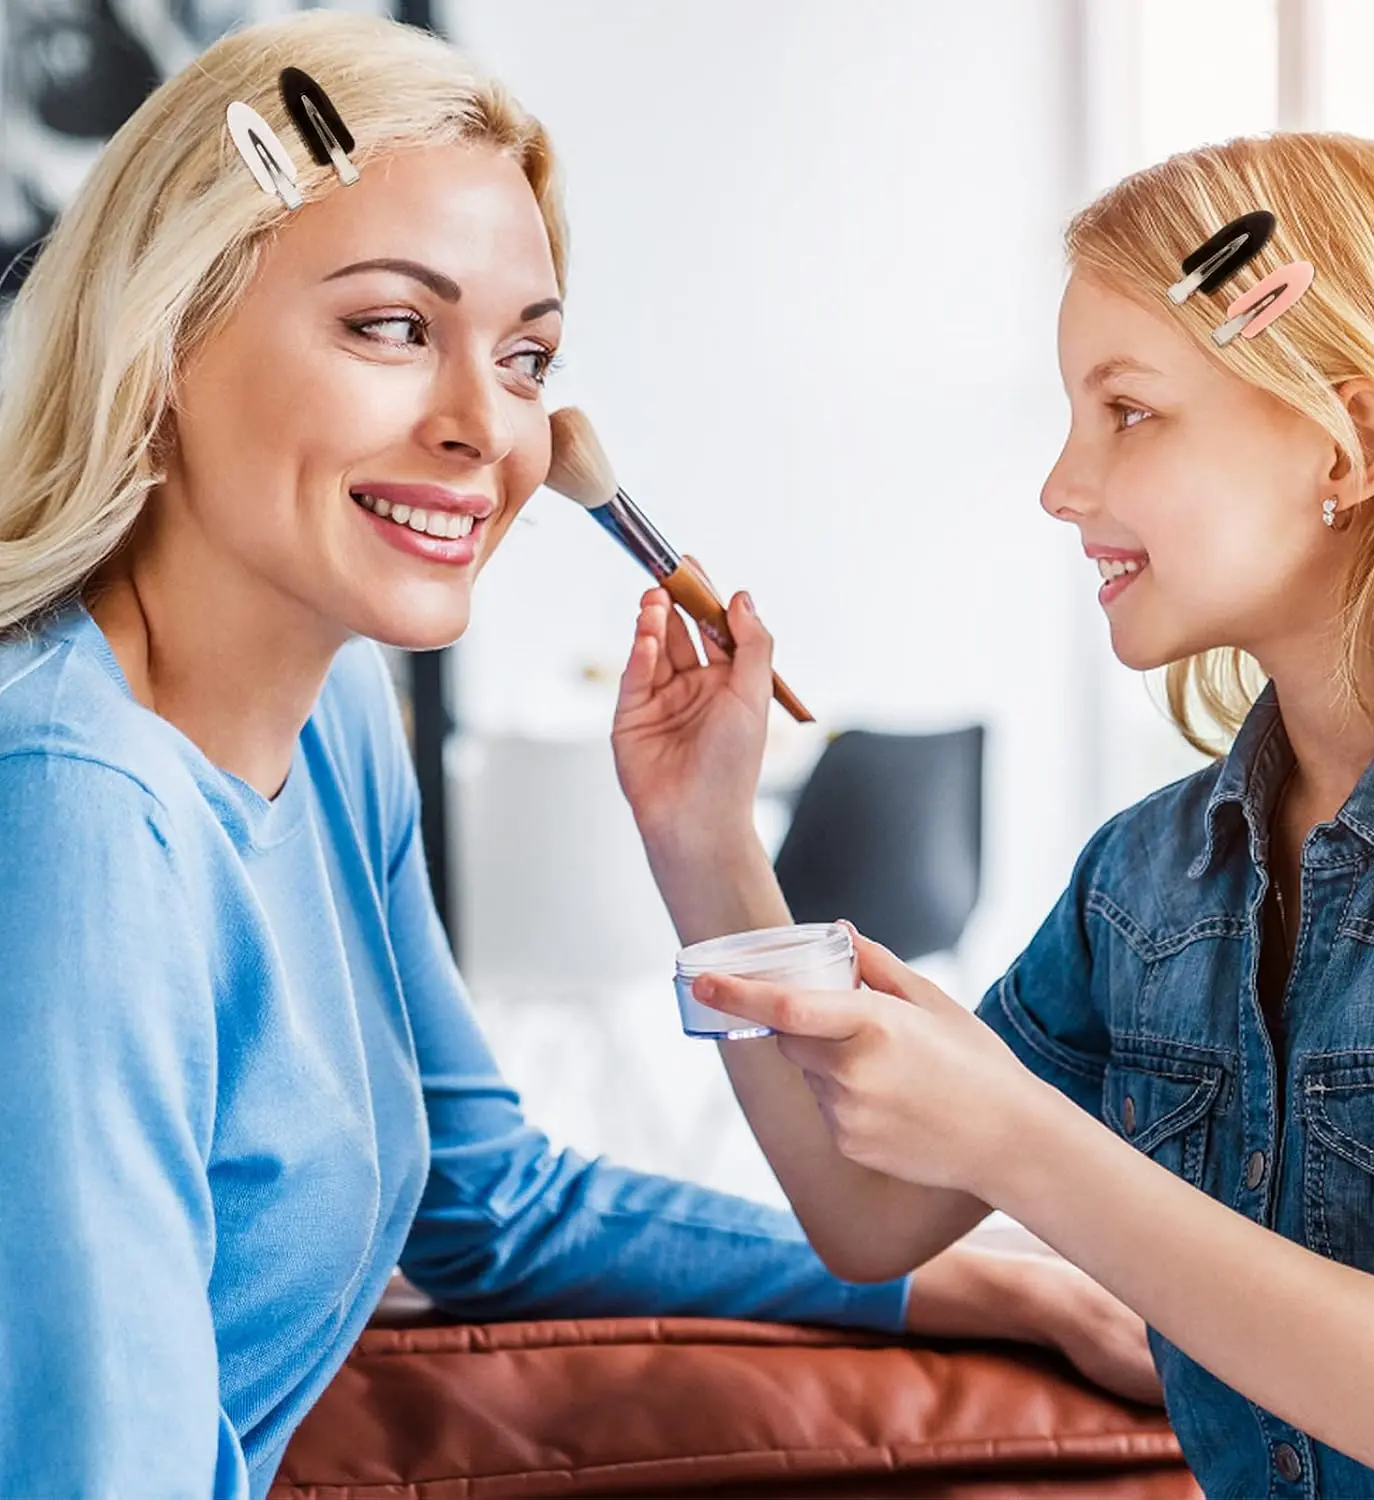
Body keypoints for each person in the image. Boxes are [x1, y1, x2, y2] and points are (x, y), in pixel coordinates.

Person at [0, 13, 1157, 1498]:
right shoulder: (77, 814)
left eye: (528, 355)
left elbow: (488, 1207)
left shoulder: (336, 721)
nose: (490, 425)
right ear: (159, 339)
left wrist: (1004, 1286)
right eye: (391, 327)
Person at [614, 132, 1374, 1499]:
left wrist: (1012, 1132)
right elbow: (869, 1217)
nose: (1060, 486)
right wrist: (705, 843)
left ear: (1354, 441)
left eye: (1128, 412)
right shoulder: (1142, 889)